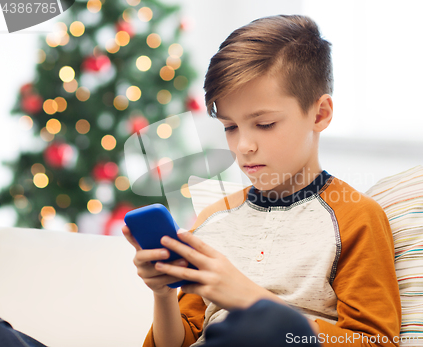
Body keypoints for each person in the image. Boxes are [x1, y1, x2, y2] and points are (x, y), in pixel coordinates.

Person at [122, 14, 401, 347]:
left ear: (320, 114)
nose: (243, 146)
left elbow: (375, 342)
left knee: (260, 329)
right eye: (230, 127)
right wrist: (163, 294)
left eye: (265, 124)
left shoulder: (356, 218)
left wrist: (252, 301)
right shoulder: (213, 218)